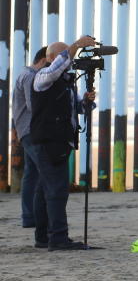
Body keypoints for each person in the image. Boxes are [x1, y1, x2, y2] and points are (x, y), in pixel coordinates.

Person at [30, 35, 98, 251]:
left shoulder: (66, 83)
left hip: (59, 141)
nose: (69, 58)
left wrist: (87, 101)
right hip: (48, 142)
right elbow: (55, 68)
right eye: (62, 54)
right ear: (50, 57)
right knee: (57, 190)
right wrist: (76, 45)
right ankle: (58, 238)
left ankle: (43, 237)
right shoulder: (42, 77)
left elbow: (75, 108)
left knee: (44, 189)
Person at [12, 47, 48, 229]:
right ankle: (35, 216)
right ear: (43, 60)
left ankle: (29, 217)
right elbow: (33, 104)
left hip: (26, 130)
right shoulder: (30, 76)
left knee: (31, 174)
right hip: (31, 130)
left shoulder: (24, 73)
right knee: (45, 171)